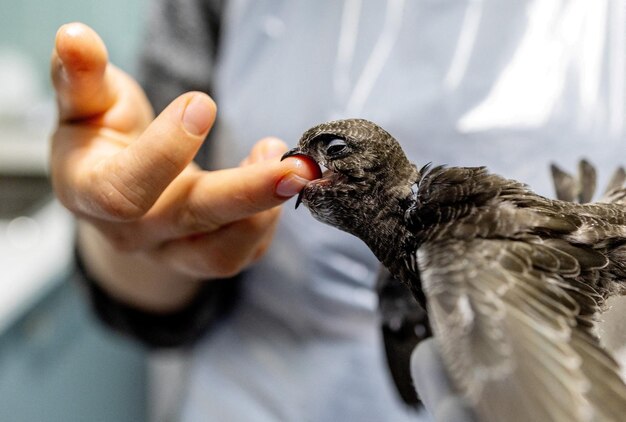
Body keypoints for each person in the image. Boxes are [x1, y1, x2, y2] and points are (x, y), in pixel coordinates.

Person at [50, 1, 624, 421]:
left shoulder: (454, 242)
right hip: (266, 396)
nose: (303, 165)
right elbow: (140, 276)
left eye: (333, 153)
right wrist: (134, 229)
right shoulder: (406, 235)